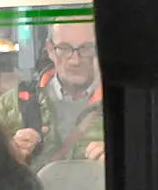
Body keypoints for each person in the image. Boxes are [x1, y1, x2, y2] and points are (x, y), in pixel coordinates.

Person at [10, 22, 105, 168]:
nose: (75, 60)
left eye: (86, 48)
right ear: (50, 50)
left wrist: (119, 157)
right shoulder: (13, 103)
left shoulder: (124, 103)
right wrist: (10, 154)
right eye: (64, 48)